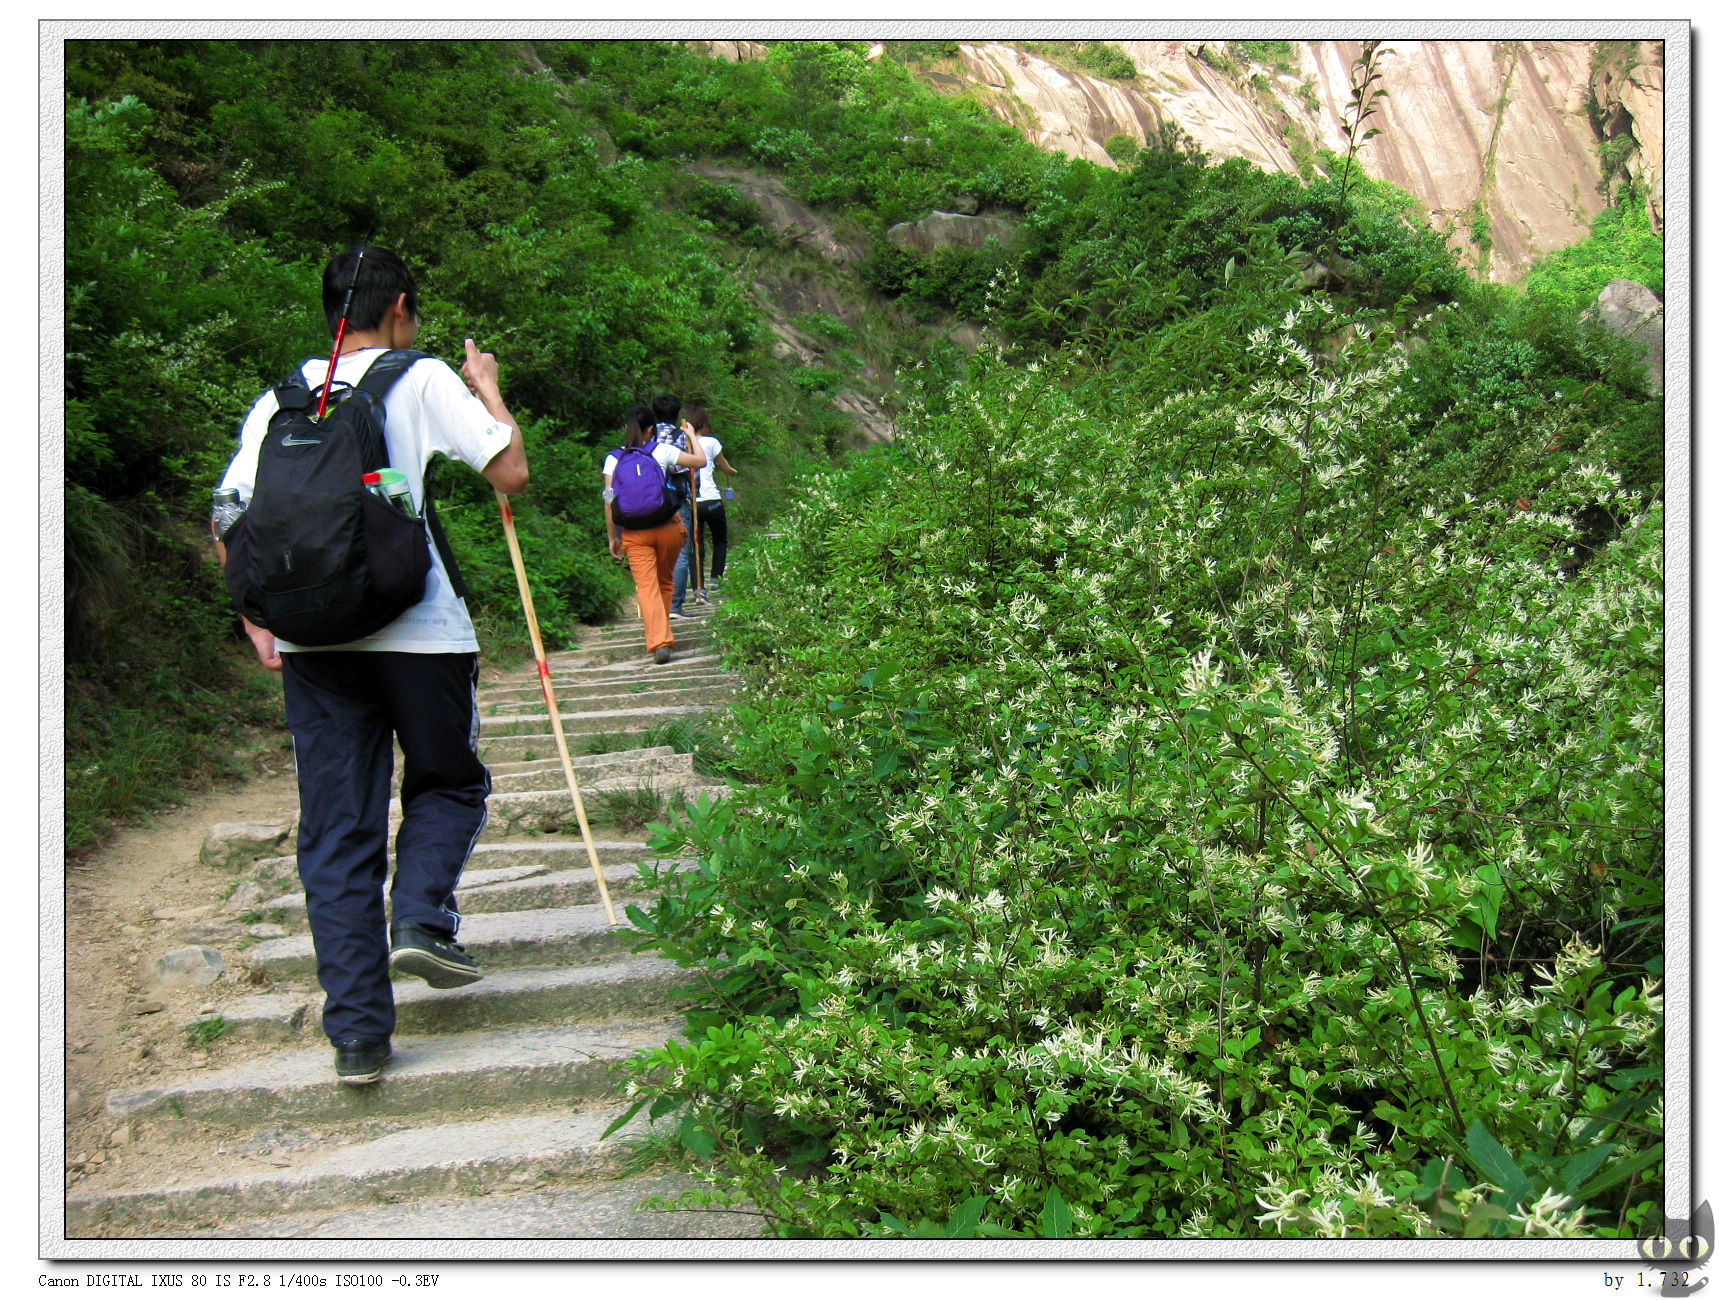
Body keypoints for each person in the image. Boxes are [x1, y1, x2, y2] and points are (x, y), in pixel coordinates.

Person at [213, 245, 529, 1087]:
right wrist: (487, 385)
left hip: (316, 645)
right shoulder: (418, 377)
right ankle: (421, 919)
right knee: (449, 783)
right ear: (398, 312)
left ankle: (357, 1038)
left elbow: (228, 511)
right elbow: (510, 470)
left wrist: (258, 619)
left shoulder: (281, 398)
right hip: (421, 631)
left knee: (337, 829)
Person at [602, 405, 707, 663]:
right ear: (651, 429)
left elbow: (608, 499)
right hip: (667, 528)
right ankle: (663, 633)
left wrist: (612, 536)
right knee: (664, 580)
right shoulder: (661, 450)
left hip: (634, 533)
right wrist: (692, 435)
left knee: (646, 587)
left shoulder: (613, 459)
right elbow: (701, 461)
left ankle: (659, 640)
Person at [669, 404, 738, 616]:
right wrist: (732, 472)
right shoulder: (712, 442)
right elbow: (724, 467)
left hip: (693, 500)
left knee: (694, 546)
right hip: (712, 500)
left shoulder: (684, 441)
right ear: (705, 423)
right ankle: (716, 578)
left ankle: (698, 587)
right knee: (720, 540)